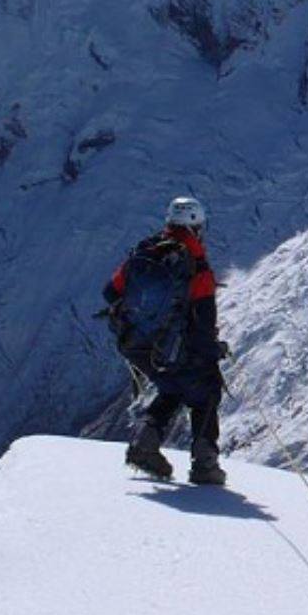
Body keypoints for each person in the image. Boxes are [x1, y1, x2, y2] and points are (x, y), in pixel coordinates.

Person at [103, 196, 228, 486]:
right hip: (172, 348)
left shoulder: (146, 252)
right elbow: (203, 327)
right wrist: (214, 351)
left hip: (137, 344)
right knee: (207, 390)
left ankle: (144, 444)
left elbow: (110, 292)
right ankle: (205, 463)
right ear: (197, 226)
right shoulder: (196, 267)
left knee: (171, 388)